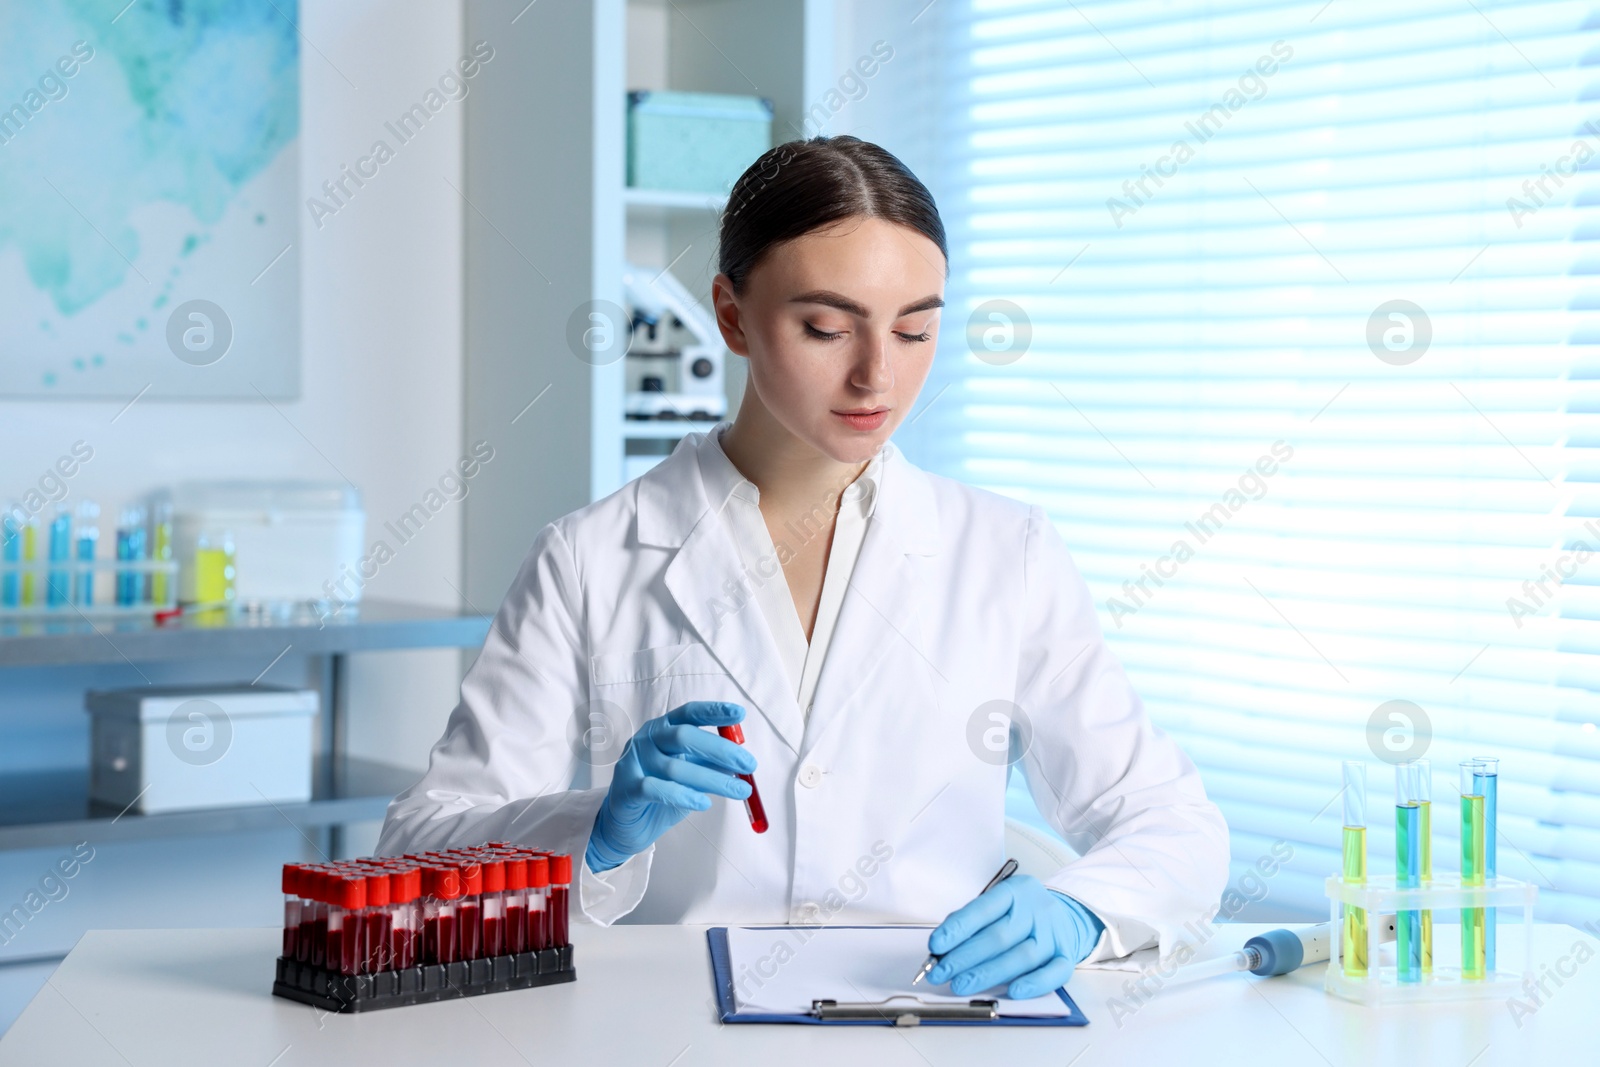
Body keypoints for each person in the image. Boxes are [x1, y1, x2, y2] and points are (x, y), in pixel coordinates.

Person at [377, 135, 1229, 1000]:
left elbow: (1171, 821)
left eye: (915, 327)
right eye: (826, 327)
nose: (878, 374)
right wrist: (594, 832)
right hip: (664, 1027)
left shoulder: (1004, 552)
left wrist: (1084, 911)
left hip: (929, 1018)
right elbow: (416, 844)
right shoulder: (590, 557)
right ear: (732, 314)